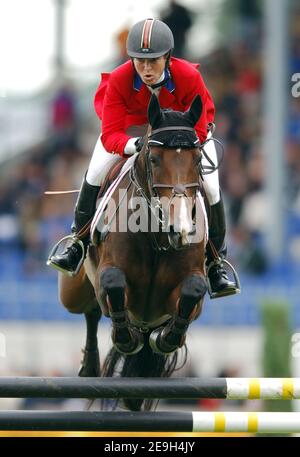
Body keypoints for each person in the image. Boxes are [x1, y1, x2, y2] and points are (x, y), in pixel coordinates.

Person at [47, 18, 239, 299]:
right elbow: (110, 133)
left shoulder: (188, 76)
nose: (146, 69)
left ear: (168, 57)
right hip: (131, 133)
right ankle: (78, 240)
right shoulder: (120, 79)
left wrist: (184, 146)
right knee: (95, 172)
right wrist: (136, 144)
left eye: (154, 61)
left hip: (182, 139)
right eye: (140, 61)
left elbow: (203, 119)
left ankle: (215, 262)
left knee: (211, 186)